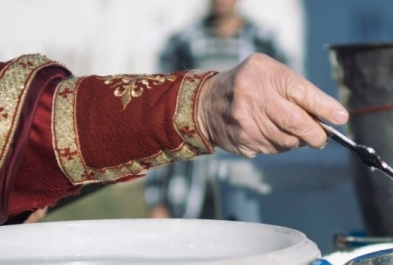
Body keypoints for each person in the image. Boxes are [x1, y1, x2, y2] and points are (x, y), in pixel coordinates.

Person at [0, 52, 349, 226]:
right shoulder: (184, 40)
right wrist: (202, 106)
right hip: (184, 190)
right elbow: (24, 122)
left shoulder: (263, 37)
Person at [145, 0, 286, 221]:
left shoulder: (265, 45)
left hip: (246, 187)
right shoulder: (181, 44)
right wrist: (156, 198)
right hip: (186, 191)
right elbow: (155, 119)